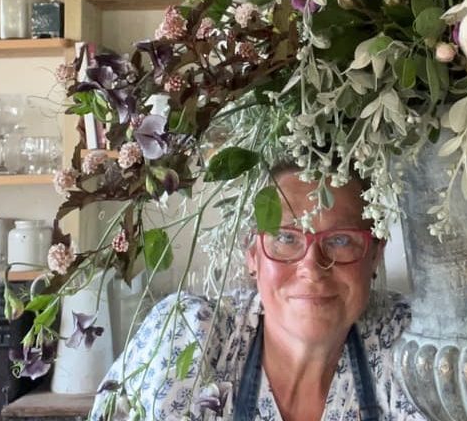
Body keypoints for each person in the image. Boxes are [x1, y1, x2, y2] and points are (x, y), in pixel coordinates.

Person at [90, 163, 426, 421]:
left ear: (375, 254)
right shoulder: (190, 334)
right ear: (252, 254)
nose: (311, 266)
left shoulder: (410, 342)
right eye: (285, 237)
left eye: (340, 240)